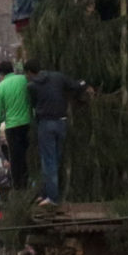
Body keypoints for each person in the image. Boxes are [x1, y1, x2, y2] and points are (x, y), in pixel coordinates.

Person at [25, 66, 89, 202]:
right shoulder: (58, 77)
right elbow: (76, 86)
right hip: (61, 122)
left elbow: (33, 105)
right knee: (56, 159)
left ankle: (51, 197)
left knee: (49, 161)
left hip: (45, 124)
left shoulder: (32, 86)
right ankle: (47, 192)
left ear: (29, 72)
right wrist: (84, 82)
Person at [0, 61, 32, 191]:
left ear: (1, 73)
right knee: (29, 156)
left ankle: (20, 189)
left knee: (16, 159)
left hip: (12, 127)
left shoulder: (0, 87)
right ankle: (32, 184)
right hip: (29, 124)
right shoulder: (24, 80)